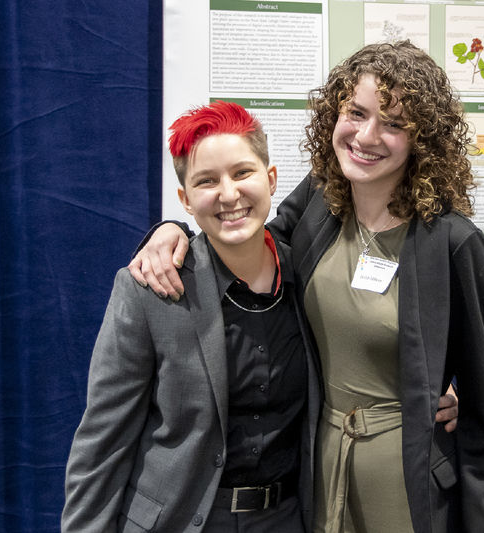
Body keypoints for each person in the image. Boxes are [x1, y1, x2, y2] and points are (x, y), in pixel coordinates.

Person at [130, 41, 484, 532]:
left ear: (422, 140)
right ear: (335, 112)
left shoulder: (453, 243)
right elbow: (243, 239)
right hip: (317, 466)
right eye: (357, 112)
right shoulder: (319, 200)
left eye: (394, 124)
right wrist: (171, 231)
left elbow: (482, 419)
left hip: (404, 480)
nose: (367, 135)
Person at [62, 101, 322, 532]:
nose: (229, 194)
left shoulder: (311, 279)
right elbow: (103, 443)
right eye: (207, 181)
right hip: (180, 520)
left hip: (286, 517)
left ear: (271, 179)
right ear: (184, 199)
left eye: (242, 173)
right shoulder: (149, 289)